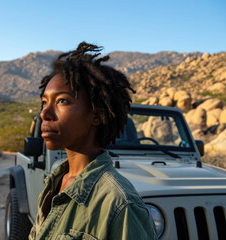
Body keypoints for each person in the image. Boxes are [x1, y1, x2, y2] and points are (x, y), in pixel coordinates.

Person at [28, 42, 158, 240]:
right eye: (44, 102)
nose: (44, 113)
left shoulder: (119, 203)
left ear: (96, 115)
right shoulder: (54, 182)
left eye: (62, 100)